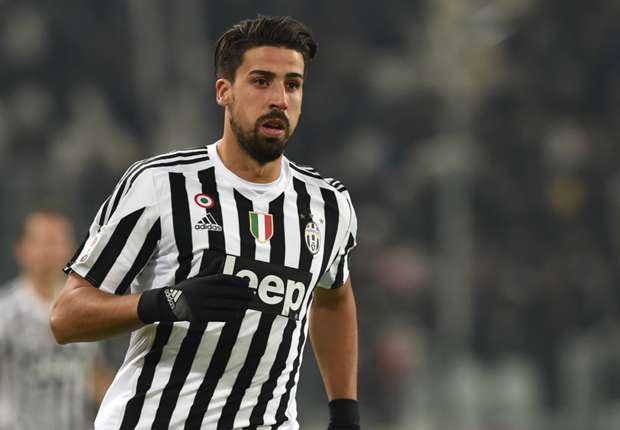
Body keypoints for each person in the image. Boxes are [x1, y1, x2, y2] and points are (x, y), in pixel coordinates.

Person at [50, 15, 360, 430]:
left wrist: (345, 411)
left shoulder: (328, 205)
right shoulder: (160, 185)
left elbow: (334, 296)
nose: (279, 100)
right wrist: (166, 302)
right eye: (261, 81)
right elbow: (66, 317)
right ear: (223, 91)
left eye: (292, 84)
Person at [0, 209, 113, 430]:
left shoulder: (89, 309)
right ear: (21, 248)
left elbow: (97, 374)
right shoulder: (6, 312)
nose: (49, 251)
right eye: (42, 241)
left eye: (57, 241)